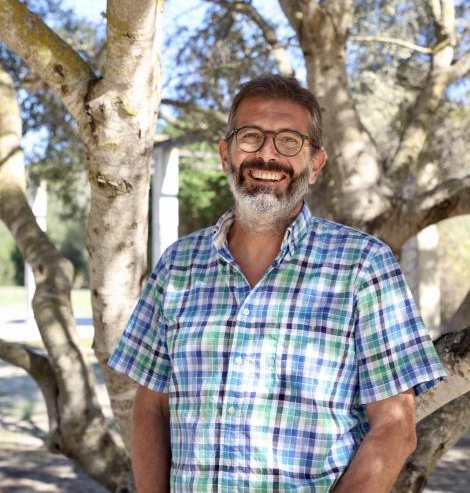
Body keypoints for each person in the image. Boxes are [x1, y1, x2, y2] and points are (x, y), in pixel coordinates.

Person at [108, 74, 447, 492]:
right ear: (226, 154)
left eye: (289, 141)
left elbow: (395, 428)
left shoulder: (363, 266)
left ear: (315, 164)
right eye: (251, 137)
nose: (267, 154)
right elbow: (151, 408)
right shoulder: (178, 266)